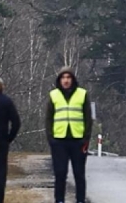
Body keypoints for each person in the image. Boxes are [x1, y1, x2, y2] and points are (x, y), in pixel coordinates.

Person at [47, 67, 93, 203]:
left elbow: (88, 118)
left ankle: (80, 200)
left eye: (68, 77)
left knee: (79, 174)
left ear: (73, 79)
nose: (66, 80)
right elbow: (48, 118)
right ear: (59, 80)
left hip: (78, 140)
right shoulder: (53, 95)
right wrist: (51, 138)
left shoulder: (82, 94)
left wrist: (86, 138)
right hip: (59, 141)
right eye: (63, 77)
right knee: (60, 173)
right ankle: (59, 200)